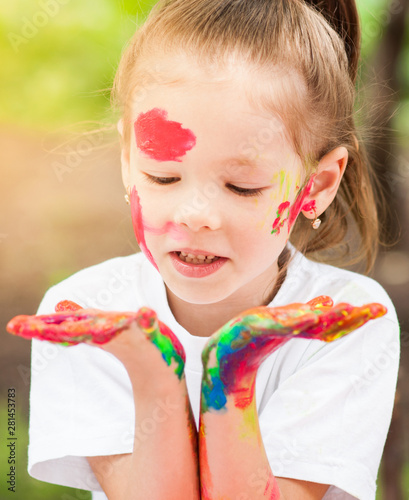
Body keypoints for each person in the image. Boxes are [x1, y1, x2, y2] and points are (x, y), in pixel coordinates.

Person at [26, 0, 400, 499]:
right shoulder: (89, 313)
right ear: (127, 160)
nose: (195, 213)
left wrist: (235, 366)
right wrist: (152, 369)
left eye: (241, 186)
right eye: (163, 177)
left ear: (318, 184)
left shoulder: (345, 322)